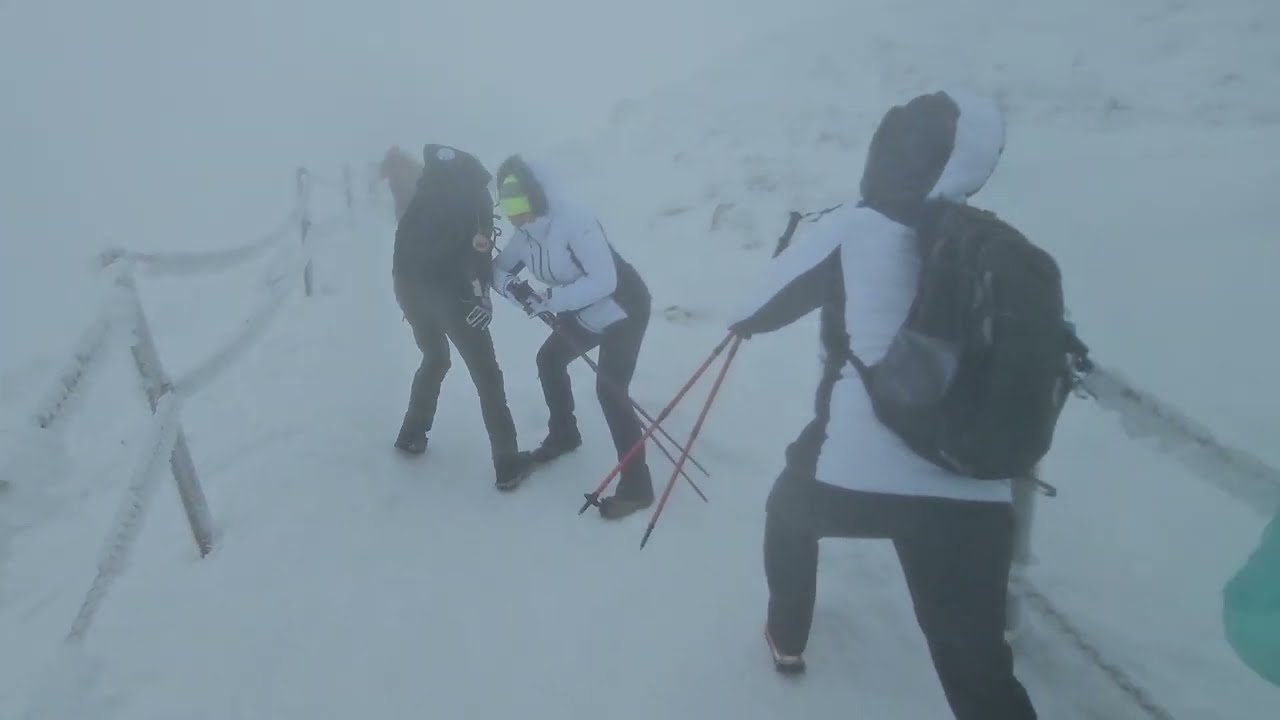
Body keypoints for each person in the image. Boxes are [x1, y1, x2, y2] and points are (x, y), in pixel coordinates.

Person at [727, 89, 1039, 719]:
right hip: (976, 487)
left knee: (788, 512)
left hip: (857, 470)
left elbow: (750, 314)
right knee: (978, 674)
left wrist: (796, 244)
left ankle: (787, 637)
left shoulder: (854, 226)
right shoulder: (994, 248)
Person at [490, 154, 655, 517]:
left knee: (610, 390)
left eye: (518, 204)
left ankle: (638, 486)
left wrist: (552, 301)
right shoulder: (527, 235)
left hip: (625, 306)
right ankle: (564, 434)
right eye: (507, 206)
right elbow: (497, 270)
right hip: (585, 309)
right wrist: (517, 293)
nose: (513, 215)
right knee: (549, 360)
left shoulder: (574, 222)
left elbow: (604, 280)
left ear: (536, 195)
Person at [392, 143, 533, 489]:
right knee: (487, 376)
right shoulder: (476, 201)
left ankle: (412, 434)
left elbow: (402, 248)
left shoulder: (422, 196)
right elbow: (478, 256)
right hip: (453, 299)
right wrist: (480, 298)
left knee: (435, 357)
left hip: (409, 292)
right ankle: (507, 463)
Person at [379, 145, 425, 221]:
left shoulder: (405, 159)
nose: (394, 157)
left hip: (409, 188)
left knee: (407, 205)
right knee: (402, 206)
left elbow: (417, 168)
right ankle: (404, 223)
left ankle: (409, 222)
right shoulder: (388, 163)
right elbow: (381, 175)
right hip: (399, 190)